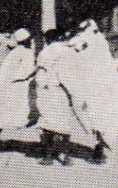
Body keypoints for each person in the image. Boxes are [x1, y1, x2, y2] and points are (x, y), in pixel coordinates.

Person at [63, 19, 118, 161]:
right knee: (96, 112)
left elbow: (75, 48)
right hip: (100, 81)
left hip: (99, 81)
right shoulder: (95, 38)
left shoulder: (90, 39)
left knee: (96, 111)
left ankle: (100, 142)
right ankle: (100, 142)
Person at [33, 28, 88, 165]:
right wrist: (74, 93)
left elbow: (40, 74)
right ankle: (65, 156)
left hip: (47, 91)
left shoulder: (45, 52)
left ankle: (48, 156)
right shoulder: (67, 52)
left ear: (48, 39)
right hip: (61, 92)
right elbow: (68, 76)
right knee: (63, 124)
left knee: (48, 125)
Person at [0, 29, 35, 158]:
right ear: (26, 40)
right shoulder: (24, 53)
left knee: (10, 118)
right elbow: (27, 71)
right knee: (5, 119)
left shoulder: (16, 52)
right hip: (13, 89)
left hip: (11, 88)